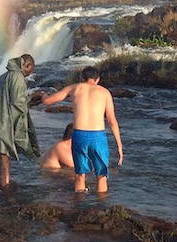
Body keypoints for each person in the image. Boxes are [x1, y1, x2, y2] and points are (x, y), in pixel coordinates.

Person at [42, 65, 123, 193]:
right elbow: (112, 120)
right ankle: (101, 206)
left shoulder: (74, 88)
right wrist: (119, 145)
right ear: (98, 80)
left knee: (80, 174)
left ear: (81, 78)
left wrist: (44, 95)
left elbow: (47, 101)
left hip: (79, 135)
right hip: (98, 136)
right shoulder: (104, 92)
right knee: (101, 175)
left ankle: (79, 204)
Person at [0, 54, 41, 188]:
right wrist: (32, 99)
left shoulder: (5, 75)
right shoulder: (18, 76)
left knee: (1, 152)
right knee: (5, 156)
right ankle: (6, 187)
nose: (28, 75)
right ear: (27, 65)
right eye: (30, 71)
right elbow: (17, 102)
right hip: (2, 120)